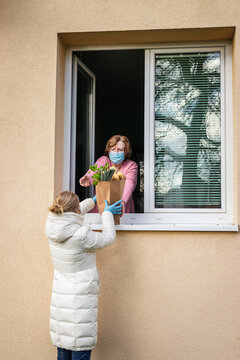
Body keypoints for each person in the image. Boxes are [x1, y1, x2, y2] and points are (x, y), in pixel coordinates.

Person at [45, 191, 122, 360]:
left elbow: (73, 212)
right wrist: (107, 214)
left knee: (63, 346)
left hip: (61, 297)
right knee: (80, 346)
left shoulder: (53, 224)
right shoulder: (81, 236)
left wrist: (93, 201)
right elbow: (108, 238)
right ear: (74, 210)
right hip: (80, 300)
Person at [79, 135, 138, 214]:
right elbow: (95, 170)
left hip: (121, 207)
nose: (116, 152)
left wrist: (122, 201)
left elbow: (129, 184)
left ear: (126, 152)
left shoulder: (131, 165)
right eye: (113, 149)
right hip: (101, 207)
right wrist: (88, 178)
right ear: (109, 150)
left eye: (120, 150)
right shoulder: (104, 161)